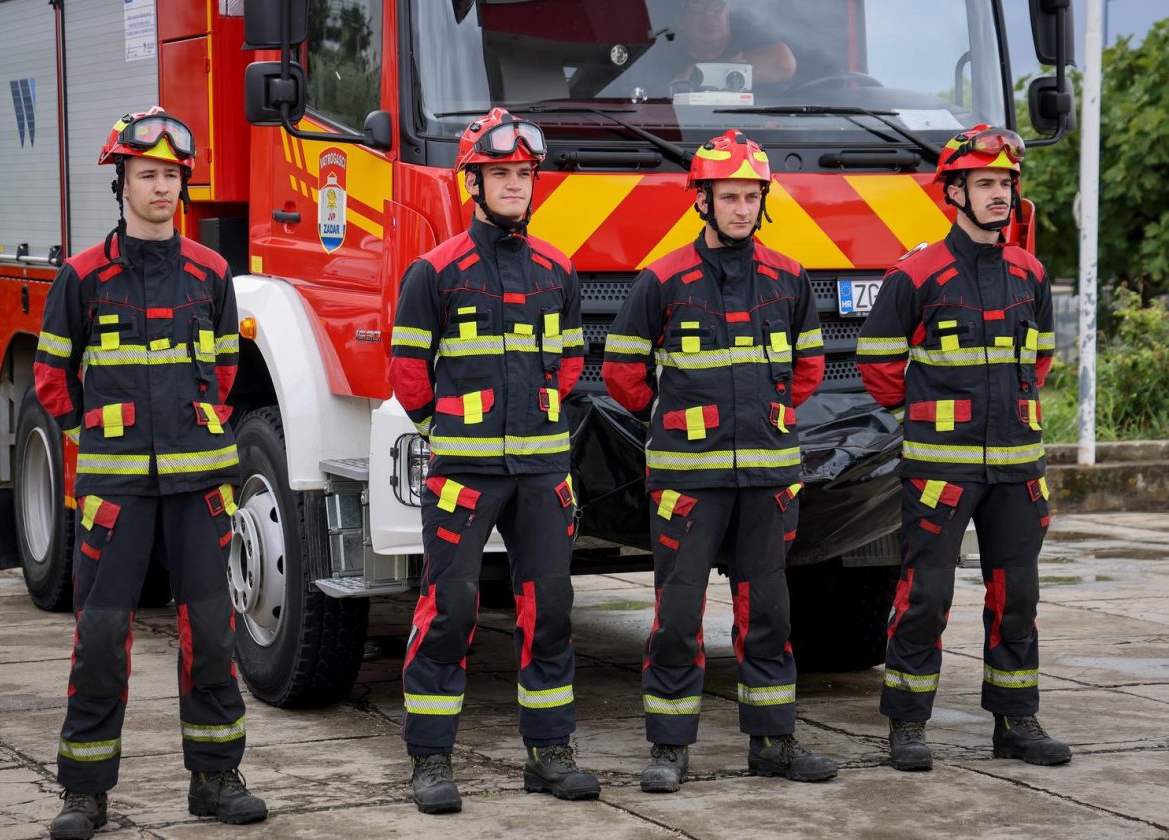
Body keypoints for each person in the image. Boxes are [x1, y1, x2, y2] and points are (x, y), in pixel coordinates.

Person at [35, 106, 266, 839]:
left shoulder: (211, 273)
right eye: (147, 174)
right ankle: (85, 791)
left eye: (170, 175)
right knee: (102, 635)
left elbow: (225, 371)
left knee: (213, 633)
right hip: (115, 490)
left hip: (201, 487)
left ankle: (216, 777)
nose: (160, 187)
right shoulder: (81, 278)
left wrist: (189, 434)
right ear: (121, 181)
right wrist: (96, 440)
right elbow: (50, 379)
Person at [602, 129, 833, 793]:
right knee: (678, 617)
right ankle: (669, 748)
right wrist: (677, 420)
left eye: (751, 196)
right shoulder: (664, 279)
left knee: (770, 615)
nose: (741, 208)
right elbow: (622, 374)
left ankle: (775, 743)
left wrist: (766, 413)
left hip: (766, 477)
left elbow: (809, 364)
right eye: (729, 196)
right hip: (688, 481)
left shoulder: (789, 278)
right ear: (701, 201)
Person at [387, 107, 598, 814]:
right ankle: (431, 760)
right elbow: (409, 373)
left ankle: (550, 752)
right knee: (449, 609)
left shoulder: (556, 269)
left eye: (523, 174)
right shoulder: (434, 272)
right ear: (472, 183)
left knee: (552, 610)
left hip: (541, 473)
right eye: (501, 174)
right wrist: (446, 431)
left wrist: (536, 425)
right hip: (465, 476)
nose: (515, 185)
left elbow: (571, 363)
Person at [855, 124, 1070, 771]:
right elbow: (877, 364)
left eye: (1005, 183)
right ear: (954, 191)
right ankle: (908, 725)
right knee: (925, 594)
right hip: (940, 467)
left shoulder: (1029, 272)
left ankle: (1016, 720)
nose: (999, 194)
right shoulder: (916, 273)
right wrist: (928, 421)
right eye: (984, 183)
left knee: (1018, 595)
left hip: (1016, 469)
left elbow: (1040, 361)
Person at [675, 0, 796, 88]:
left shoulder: (750, 38)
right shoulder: (665, 63)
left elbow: (784, 62)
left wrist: (718, 73)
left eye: (717, 4)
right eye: (698, 6)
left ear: (727, 12)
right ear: (680, 20)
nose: (709, 13)